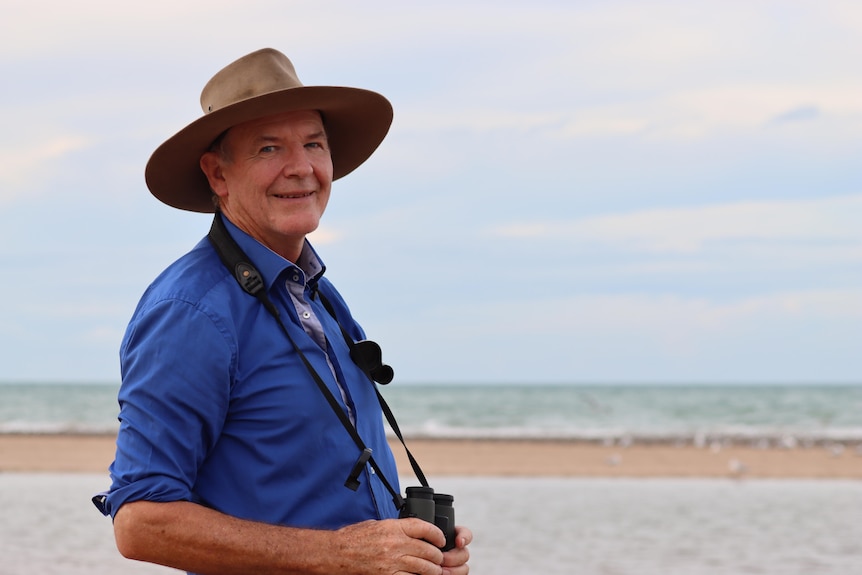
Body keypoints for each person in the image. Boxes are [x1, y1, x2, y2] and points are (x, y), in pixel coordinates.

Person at [94, 48, 472, 575]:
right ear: (217, 174)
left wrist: (409, 545)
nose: (302, 168)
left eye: (314, 144)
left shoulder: (316, 290)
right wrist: (338, 555)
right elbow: (141, 523)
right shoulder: (190, 311)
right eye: (269, 148)